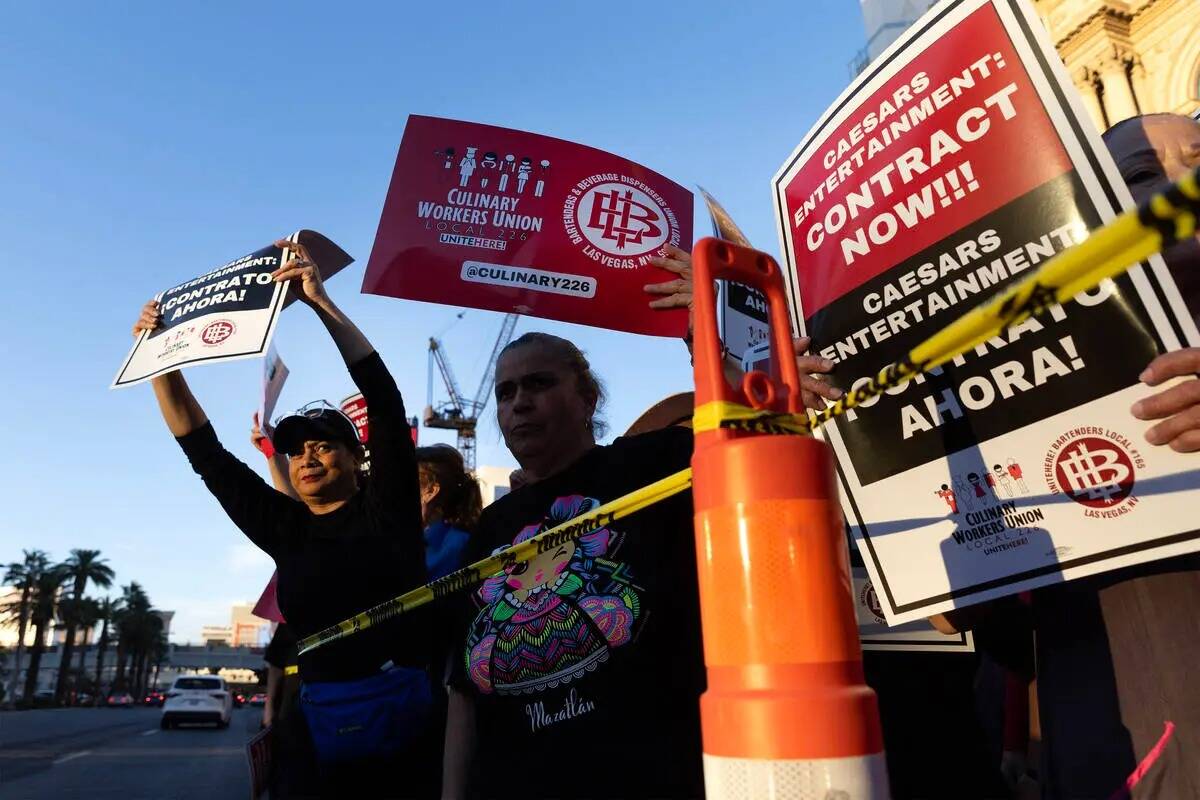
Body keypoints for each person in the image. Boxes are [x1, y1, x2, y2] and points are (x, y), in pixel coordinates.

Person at [441, 245, 841, 798]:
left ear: (588, 398)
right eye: (506, 393)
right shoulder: (489, 529)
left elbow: (756, 435)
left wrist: (710, 331)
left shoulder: (658, 461)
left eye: (539, 384)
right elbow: (463, 690)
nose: (518, 403)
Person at [939, 113, 1200, 799]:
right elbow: (989, 624)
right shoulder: (1031, 394)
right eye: (1141, 175)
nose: (1184, 181)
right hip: (1114, 751)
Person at [132, 239, 433, 799]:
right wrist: (160, 357)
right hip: (319, 743)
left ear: (357, 459)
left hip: (411, 743)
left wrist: (320, 303)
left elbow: (383, 400)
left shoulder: (387, 510)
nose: (307, 459)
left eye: (322, 446)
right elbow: (204, 450)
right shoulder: (284, 528)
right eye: (295, 452)